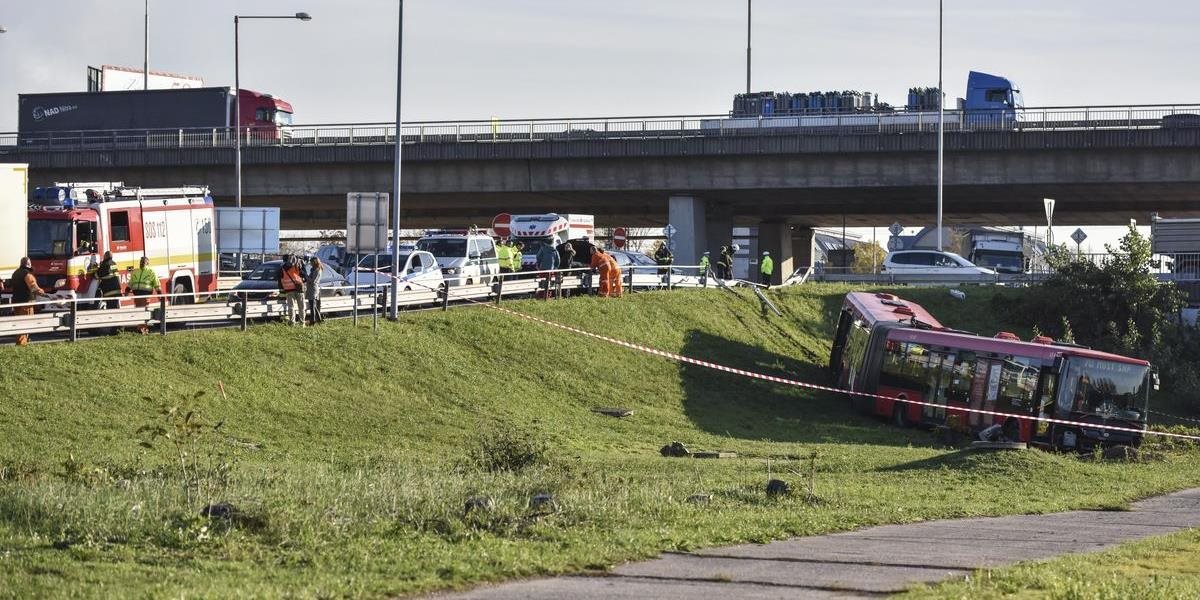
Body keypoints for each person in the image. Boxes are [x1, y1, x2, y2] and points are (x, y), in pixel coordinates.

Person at [9, 257, 47, 346]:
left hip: (16, 302)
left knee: (19, 324)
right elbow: (34, 288)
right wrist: (43, 293)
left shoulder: (15, 273)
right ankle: (22, 345)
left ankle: (19, 343)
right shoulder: (27, 274)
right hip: (26, 303)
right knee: (26, 323)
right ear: (29, 264)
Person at [127, 256, 158, 334]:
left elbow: (156, 283)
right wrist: (127, 289)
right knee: (139, 312)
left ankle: (144, 329)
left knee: (144, 312)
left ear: (147, 263)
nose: (141, 263)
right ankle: (140, 329)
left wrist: (159, 294)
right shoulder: (136, 272)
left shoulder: (151, 272)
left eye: (143, 262)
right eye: (140, 262)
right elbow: (131, 282)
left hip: (145, 296)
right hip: (137, 296)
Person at [277, 254, 306, 326]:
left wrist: (281, 291)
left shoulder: (282, 268)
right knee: (301, 307)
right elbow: (304, 275)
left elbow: (279, 279)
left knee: (291, 307)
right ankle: (302, 323)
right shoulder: (297, 266)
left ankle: (292, 322)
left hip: (288, 290)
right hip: (299, 288)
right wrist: (303, 265)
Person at [304, 257, 324, 325]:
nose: (310, 264)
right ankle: (319, 320)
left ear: (315, 262)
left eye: (311, 262)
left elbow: (313, 281)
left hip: (313, 289)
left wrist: (306, 276)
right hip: (311, 289)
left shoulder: (317, 270)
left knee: (312, 306)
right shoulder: (313, 270)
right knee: (313, 306)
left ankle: (313, 321)